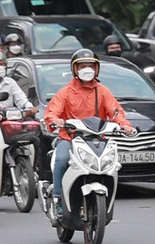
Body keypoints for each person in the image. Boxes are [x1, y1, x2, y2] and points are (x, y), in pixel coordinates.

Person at [43, 49, 136, 212]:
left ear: (96, 69)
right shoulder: (64, 92)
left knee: (113, 163)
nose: (87, 69)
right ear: (75, 70)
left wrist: (124, 125)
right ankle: (57, 198)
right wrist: (55, 120)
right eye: (82, 66)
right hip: (69, 139)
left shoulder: (103, 91)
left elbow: (115, 112)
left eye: (90, 66)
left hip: (96, 140)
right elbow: (51, 113)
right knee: (62, 159)